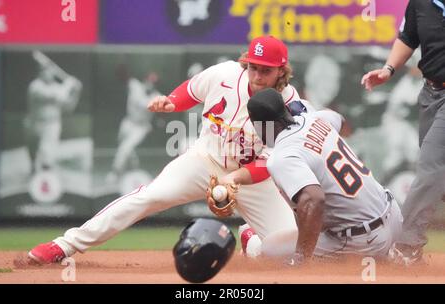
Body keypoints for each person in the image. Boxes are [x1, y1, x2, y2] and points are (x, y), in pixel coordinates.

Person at [27, 35, 313, 264]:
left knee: (287, 249)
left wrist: (234, 180)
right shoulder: (224, 74)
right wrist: (171, 102)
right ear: (244, 63)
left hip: (251, 179)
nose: (258, 75)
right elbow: (191, 90)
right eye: (253, 67)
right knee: (149, 196)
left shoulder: (290, 106)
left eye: (266, 70)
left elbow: (271, 161)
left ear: (281, 71)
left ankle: (252, 241)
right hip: (205, 161)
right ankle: (64, 245)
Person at [244, 88, 403, 264]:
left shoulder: (281, 157)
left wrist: (301, 257)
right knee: (317, 226)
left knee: (269, 249)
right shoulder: (315, 118)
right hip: (393, 214)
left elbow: (314, 199)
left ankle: (374, 258)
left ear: (259, 125)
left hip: (362, 240)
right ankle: (389, 256)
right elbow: (339, 120)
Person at [361, 0, 445, 265]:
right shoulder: (422, 3)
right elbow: (409, 36)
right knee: (439, 177)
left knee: (431, 166)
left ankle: (406, 247)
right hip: (431, 93)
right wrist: (388, 69)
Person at [25, 51, 82, 174]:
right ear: (39, 73)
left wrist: (76, 93)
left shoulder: (57, 87)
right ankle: (33, 168)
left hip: (52, 125)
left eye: (49, 70)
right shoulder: (35, 86)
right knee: (33, 153)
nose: (47, 73)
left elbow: (68, 107)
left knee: (47, 155)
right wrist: (69, 84)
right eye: (44, 70)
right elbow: (57, 95)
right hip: (34, 123)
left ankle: (45, 175)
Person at [106, 72, 161, 183]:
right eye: (149, 81)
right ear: (144, 80)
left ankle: (114, 173)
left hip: (141, 127)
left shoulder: (157, 96)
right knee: (125, 148)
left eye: (153, 83)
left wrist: (158, 120)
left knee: (125, 148)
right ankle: (135, 168)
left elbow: (159, 111)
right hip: (128, 122)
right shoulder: (135, 85)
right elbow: (122, 76)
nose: (150, 84)